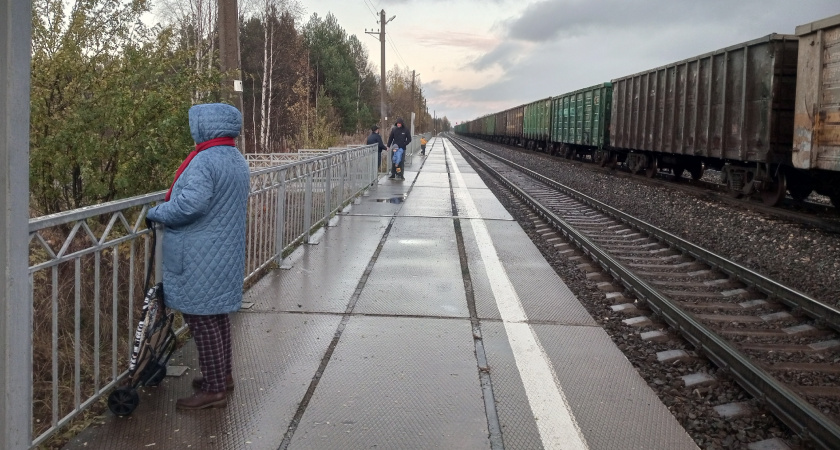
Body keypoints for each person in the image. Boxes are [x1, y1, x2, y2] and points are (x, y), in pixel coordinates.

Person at [146, 103, 250, 410]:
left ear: (205, 126)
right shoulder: (234, 157)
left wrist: (156, 212)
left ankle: (214, 390)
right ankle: (222, 377)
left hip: (200, 255)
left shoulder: (205, 160)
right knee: (216, 316)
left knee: (201, 320)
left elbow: (190, 205)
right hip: (222, 252)